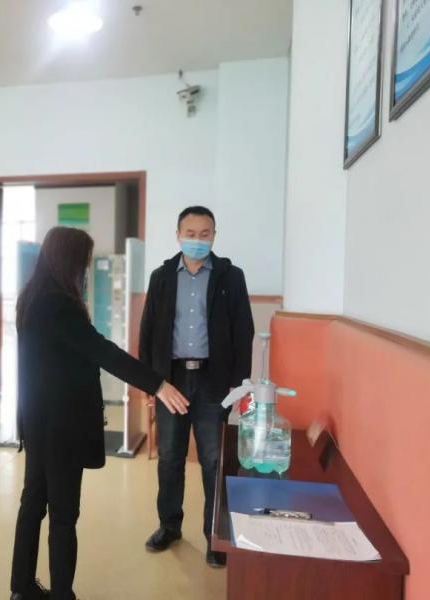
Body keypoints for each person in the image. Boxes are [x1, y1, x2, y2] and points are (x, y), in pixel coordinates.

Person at [10, 226, 190, 600]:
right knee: (63, 515)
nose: (86, 270)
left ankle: (21, 587)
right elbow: (102, 351)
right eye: (84, 262)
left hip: (39, 421)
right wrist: (157, 384)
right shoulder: (58, 304)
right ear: (69, 262)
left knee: (33, 505)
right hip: (61, 426)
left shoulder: (33, 298)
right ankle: (62, 594)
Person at [140, 206, 254, 568]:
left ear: (214, 236)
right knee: (170, 457)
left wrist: (238, 386)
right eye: (190, 234)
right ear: (178, 235)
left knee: (214, 461)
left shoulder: (230, 276)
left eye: (205, 234)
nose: (197, 240)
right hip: (171, 380)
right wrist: (150, 382)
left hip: (213, 381)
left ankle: (214, 536)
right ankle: (169, 526)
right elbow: (148, 330)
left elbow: (244, 333)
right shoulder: (161, 277)